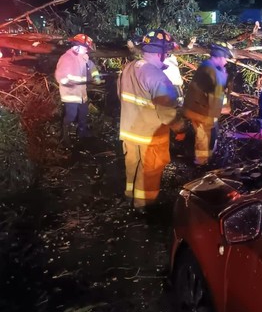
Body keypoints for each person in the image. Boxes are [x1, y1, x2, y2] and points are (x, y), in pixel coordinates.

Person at [117, 29, 181, 211]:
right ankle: (143, 205)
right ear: (161, 53)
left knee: (132, 165)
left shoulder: (128, 68)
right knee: (150, 171)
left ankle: (129, 196)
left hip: (129, 131)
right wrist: (181, 128)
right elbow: (168, 113)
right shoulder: (159, 78)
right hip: (150, 136)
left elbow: (119, 94)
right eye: (167, 52)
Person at [183, 42, 233, 165]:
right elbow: (215, 96)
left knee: (204, 135)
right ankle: (201, 163)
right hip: (201, 110)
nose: (226, 62)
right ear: (220, 57)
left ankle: (204, 159)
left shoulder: (206, 66)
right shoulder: (213, 72)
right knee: (204, 136)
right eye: (225, 58)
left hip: (196, 108)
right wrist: (221, 110)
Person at [54, 33, 102, 144]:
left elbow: (92, 67)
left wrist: (96, 76)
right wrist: (68, 82)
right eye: (86, 48)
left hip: (81, 94)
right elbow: (60, 76)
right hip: (71, 94)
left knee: (83, 114)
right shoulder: (67, 58)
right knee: (71, 115)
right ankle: (64, 135)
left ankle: (82, 133)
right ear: (77, 46)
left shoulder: (83, 58)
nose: (87, 51)